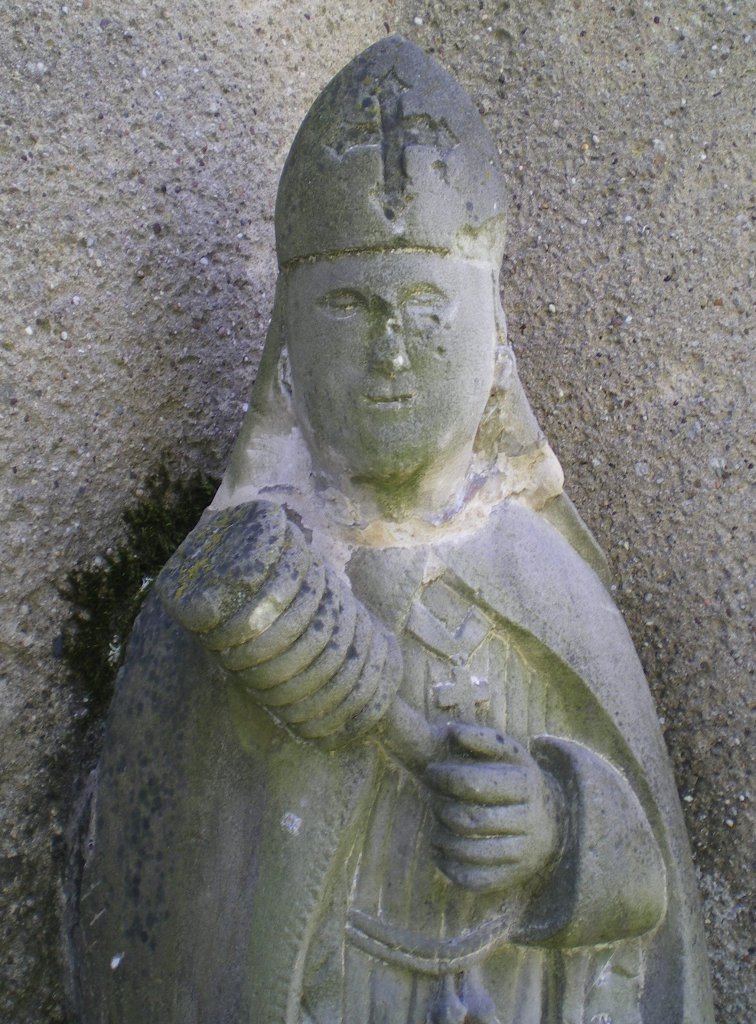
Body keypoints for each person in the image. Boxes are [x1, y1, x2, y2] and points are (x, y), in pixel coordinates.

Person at [73, 38, 713, 1024]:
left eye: (427, 306)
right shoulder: (214, 606)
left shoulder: (557, 597)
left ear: (492, 341)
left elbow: (649, 908)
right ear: (289, 347)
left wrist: (559, 825)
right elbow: (156, 907)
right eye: (349, 306)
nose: (393, 352)